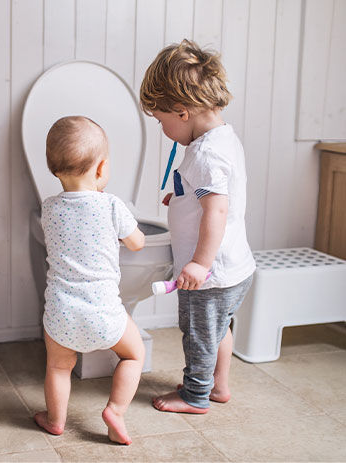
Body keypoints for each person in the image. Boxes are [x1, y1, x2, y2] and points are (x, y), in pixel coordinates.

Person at [139, 39, 256, 414]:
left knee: (200, 335)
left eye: (161, 120)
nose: (162, 128)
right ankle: (218, 385)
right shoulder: (221, 139)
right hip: (235, 267)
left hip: (211, 272)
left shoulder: (206, 153)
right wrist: (183, 197)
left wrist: (199, 264)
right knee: (218, 329)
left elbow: (216, 211)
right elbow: (217, 196)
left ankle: (195, 395)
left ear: (182, 111)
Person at [34, 115, 146, 445]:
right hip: (104, 312)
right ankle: (115, 410)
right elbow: (138, 242)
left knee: (57, 367)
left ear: (54, 168)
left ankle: (55, 420)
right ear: (101, 170)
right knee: (133, 355)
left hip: (61, 314)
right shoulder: (112, 205)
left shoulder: (49, 208)